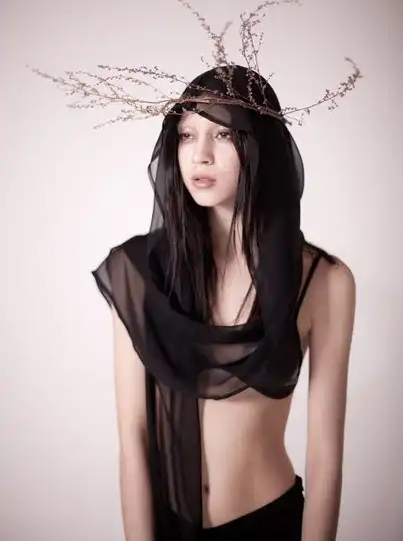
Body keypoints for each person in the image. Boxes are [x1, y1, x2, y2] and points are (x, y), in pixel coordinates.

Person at [92, 65, 356, 541]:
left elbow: (325, 457)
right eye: (187, 135)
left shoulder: (325, 282)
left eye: (224, 134)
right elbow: (134, 436)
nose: (201, 155)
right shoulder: (138, 274)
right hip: (169, 525)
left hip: (270, 524)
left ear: (259, 146)